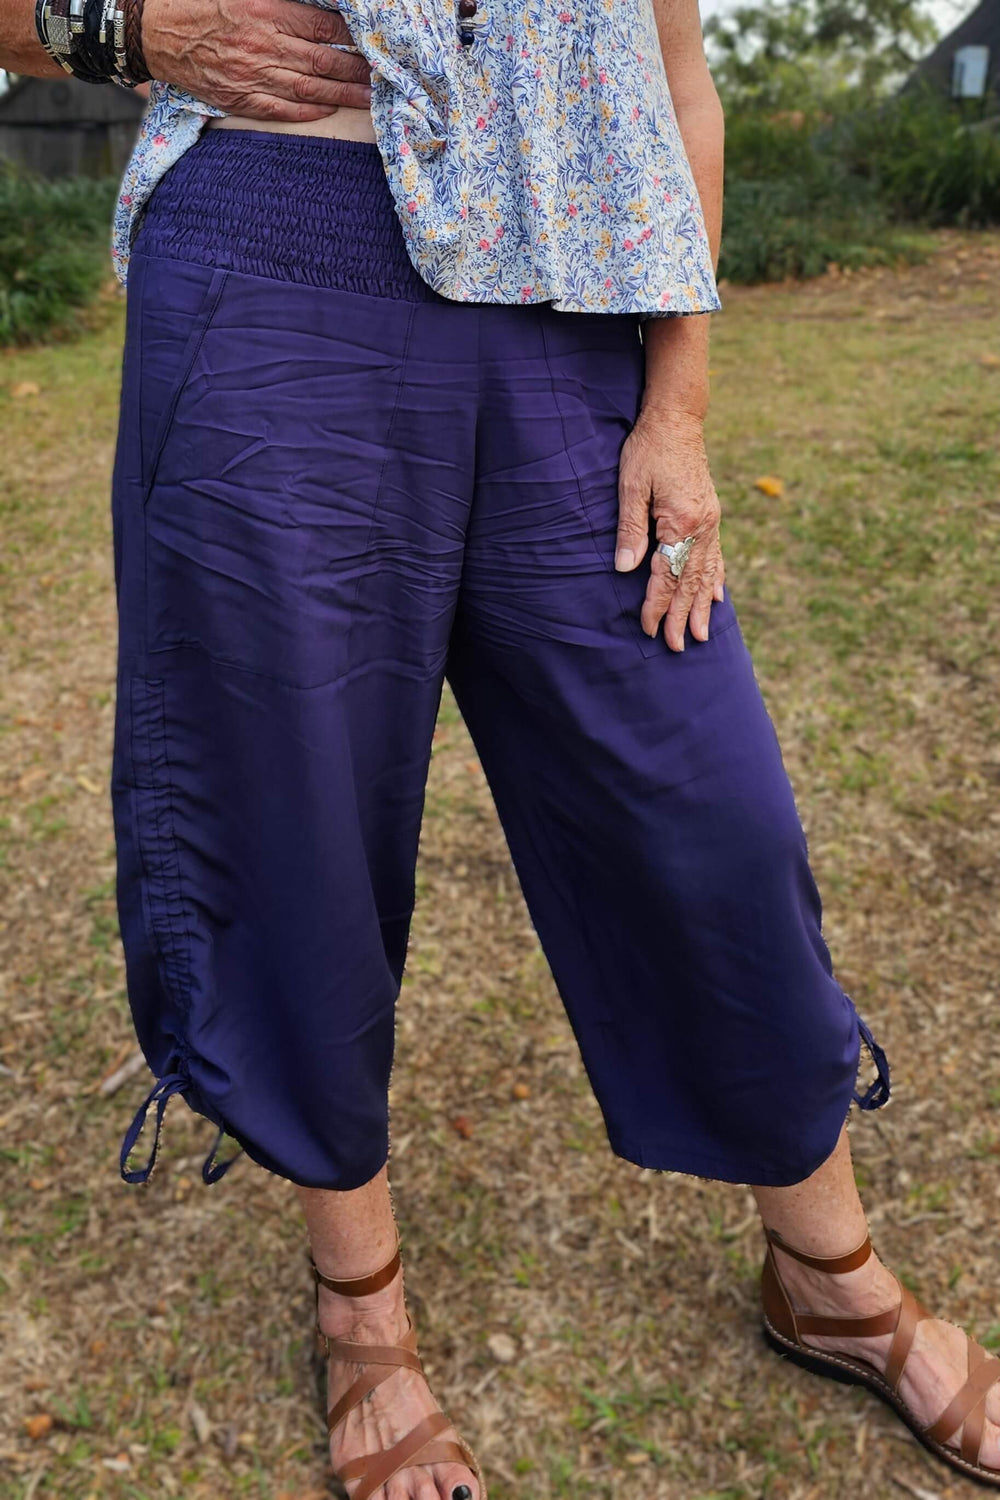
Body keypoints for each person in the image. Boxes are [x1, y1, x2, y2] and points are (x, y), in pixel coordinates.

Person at [5, 0, 1000, 1490]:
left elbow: (679, 89)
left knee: (702, 804)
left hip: (573, 294)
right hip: (276, 250)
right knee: (292, 813)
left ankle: (828, 1272)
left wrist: (681, 407)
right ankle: (361, 1308)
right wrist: (132, 27)